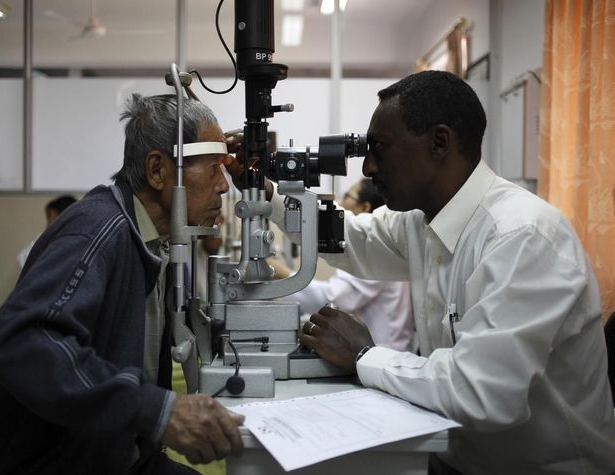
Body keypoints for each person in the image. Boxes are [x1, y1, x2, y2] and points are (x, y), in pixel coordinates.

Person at [259, 71, 615, 473]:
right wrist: (262, 192)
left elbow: (483, 393)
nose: (369, 167)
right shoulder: (421, 221)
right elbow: (349, 239)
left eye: (380, 148)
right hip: (455, 454)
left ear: (439, 143)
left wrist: (363, 355)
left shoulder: (522, 236)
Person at [0, 94, 244, 475]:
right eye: (213, 168)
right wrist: (157, 411)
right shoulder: (99, 230)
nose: (224, 187)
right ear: (157, 170)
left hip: (125, 455)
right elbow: (18, 340)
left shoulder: (157, 244)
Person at [271, 179, 414, 351]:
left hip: (387, 352)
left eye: (348, 195)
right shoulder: (375, 246)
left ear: (364, 207)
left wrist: (285, 275)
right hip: (379, 350)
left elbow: (334, 300)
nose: (341, 201)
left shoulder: (378, 250)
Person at [17, 194, 77, 268]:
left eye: (53, 217)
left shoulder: (78, 237)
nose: (49, 223)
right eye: (48, 218)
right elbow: (22, 259)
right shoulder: (45, 236)